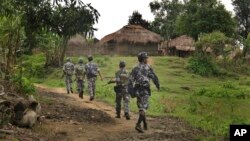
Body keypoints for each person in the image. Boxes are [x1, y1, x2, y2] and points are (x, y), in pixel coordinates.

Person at [128, 52, 160, 133]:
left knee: (141, 107)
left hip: (137, 90)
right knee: (144, 107)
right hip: (145, 90)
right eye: (146, 58)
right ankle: (138, 124)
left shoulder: (135, 68)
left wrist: (131, 90)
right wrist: (157, 85)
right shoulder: (148, 67)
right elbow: (154, 77)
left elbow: (130, 80)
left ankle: (145, 123)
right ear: (143, 59)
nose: (147, 59)